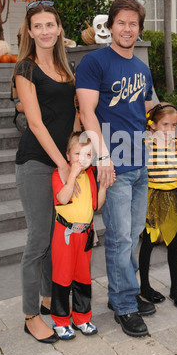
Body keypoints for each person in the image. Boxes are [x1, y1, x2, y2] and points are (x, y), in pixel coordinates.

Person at [76, 0, 155, 338]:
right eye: (120, 22)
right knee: (120, 237)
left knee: (134, 232)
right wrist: (103, 156)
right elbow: (86, 111)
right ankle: (124, 305)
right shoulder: (95, 62)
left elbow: (148, 107)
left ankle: (124, 291)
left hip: (140, 161)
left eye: (133, 23)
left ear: (139, 29)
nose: (127, 29)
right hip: (113, 163)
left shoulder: (141, 68)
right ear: (110, 27)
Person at [13, 0, 80, 343]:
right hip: (37, 163)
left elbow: (72, 116)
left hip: (62, 161)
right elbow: (36, 124)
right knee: (38, 240)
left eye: (50, 25)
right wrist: (64, 163)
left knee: (56, 238)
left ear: (58, 29)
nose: (44, 31)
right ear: (29, 31)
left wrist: (81, 153)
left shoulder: (65, 68)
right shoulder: (25, 68)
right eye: (38, 26)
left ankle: (48, 297)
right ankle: (30, 315)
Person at [50, 131, 107, 340]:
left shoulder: (91, 175)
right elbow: (62, 199)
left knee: (83, 278)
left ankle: (82, 317)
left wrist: (105, 188)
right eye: (77, 154)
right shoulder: (60, 174)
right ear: (67, 156)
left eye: (88, 154)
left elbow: (96, 206)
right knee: (62, 277)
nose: (82, 159)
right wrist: (72, 175)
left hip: (84, 235)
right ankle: (61, 321)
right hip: (64, 235)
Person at [139, 103, 177, 307]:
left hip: (172, 197)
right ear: (153, 125)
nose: (170, 130)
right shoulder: (146, 143)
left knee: (173, 244)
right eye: (165, 125)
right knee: (148, 242)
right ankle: (144, 286)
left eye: (173, 125)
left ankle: (175, 289)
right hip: (153, 196)